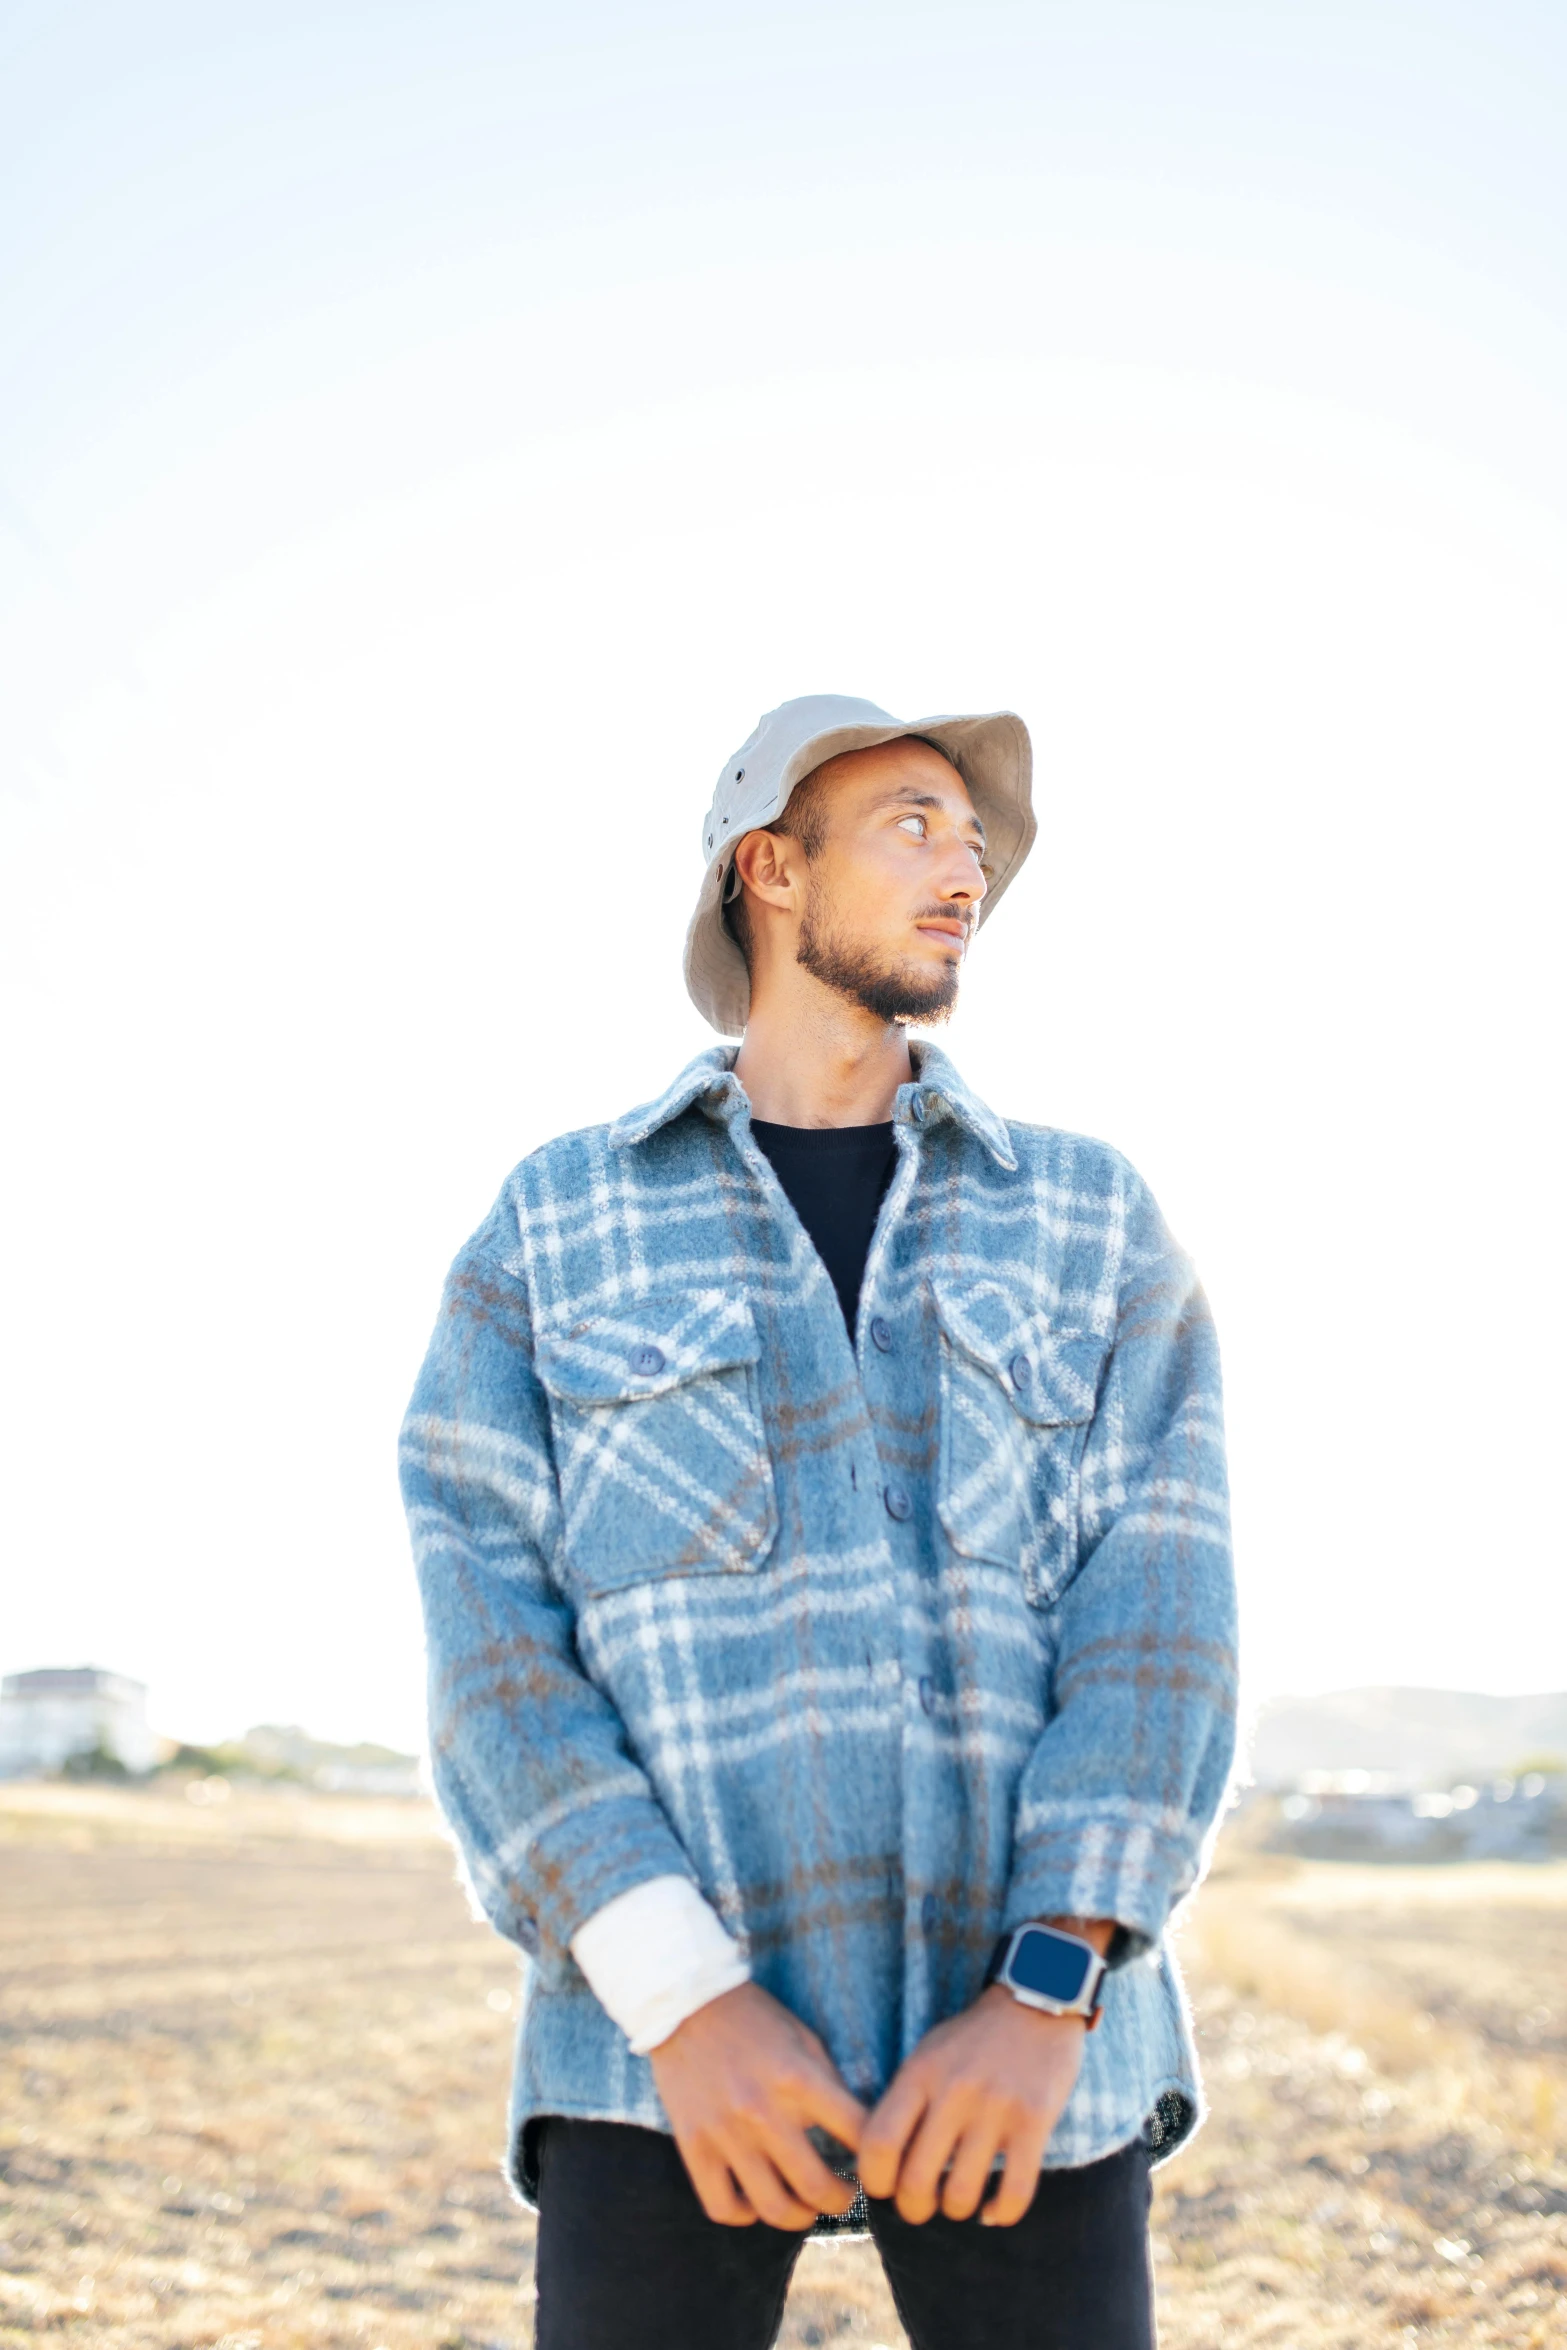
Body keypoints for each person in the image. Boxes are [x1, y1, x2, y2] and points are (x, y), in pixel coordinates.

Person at [399, 694, 1238, 2350]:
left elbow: (1162, 1615)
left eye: (976, 846)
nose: (965, 872)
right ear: (767, 868)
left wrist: (1044, 1986)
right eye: (914, 824)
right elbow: (492, 1641)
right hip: (659, 2064)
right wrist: (683, 1999)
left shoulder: (1089, 1212)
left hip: (1024, 2060)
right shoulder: (554, 1218)